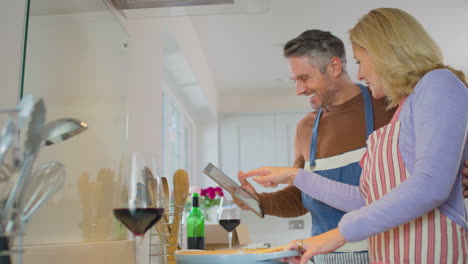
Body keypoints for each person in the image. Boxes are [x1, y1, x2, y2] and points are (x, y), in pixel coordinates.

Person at [241, 8, 468, 264]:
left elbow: (431, 184)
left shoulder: (432, 86)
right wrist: (293, 179)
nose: (360, 73)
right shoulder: (399, 110)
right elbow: (366, 198)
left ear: (384, 52)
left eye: (360, 61)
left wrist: (339, 233)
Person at [235, 29, 396, 264]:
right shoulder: (306, 129)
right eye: (295, 81)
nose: (299, 90)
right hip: (322, 257)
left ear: (334, 67)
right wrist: (258, 202)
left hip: (383, 255)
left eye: (304, 78)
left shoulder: (388, 109)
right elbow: (301, 197)